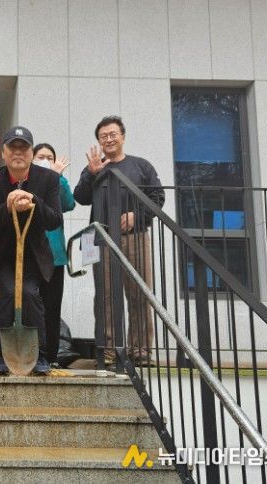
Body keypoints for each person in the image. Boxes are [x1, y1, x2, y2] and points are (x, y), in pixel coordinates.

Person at [72, 115, 165, 366]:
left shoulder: (141, 166)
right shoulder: (95, 167)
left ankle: (140, 350)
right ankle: (108, 350)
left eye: (113, 134)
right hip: (101, 238)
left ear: (123, 136)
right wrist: (90, 174)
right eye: (103, 136)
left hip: (135, 238)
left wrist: (137, 216)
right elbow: (80, 197)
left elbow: (158, 198)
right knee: (105, 296)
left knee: (139, 294)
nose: (109, 139)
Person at [0, 126, 63, 376]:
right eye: (12, 147)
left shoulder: (49, 179)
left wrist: (33, 199)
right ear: (3, 152)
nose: (18, 152)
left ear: (31, 152)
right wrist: (7, 207)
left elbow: (54, 220)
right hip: (3, 254)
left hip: (35, 255)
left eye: (23, 147)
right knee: (8, 292)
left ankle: (40, 355)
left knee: (29, 293)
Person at [32, 143, 77, 367]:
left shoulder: (58, 180)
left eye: (50, 157)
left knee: (52, 307)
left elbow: (68, 204)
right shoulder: (28, 179)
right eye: (41, 156)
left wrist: (58, 178)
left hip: (55, 256)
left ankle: (50, 357)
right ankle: (31, 353)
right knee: (31, 305)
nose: (45, 160)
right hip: (31, 255)